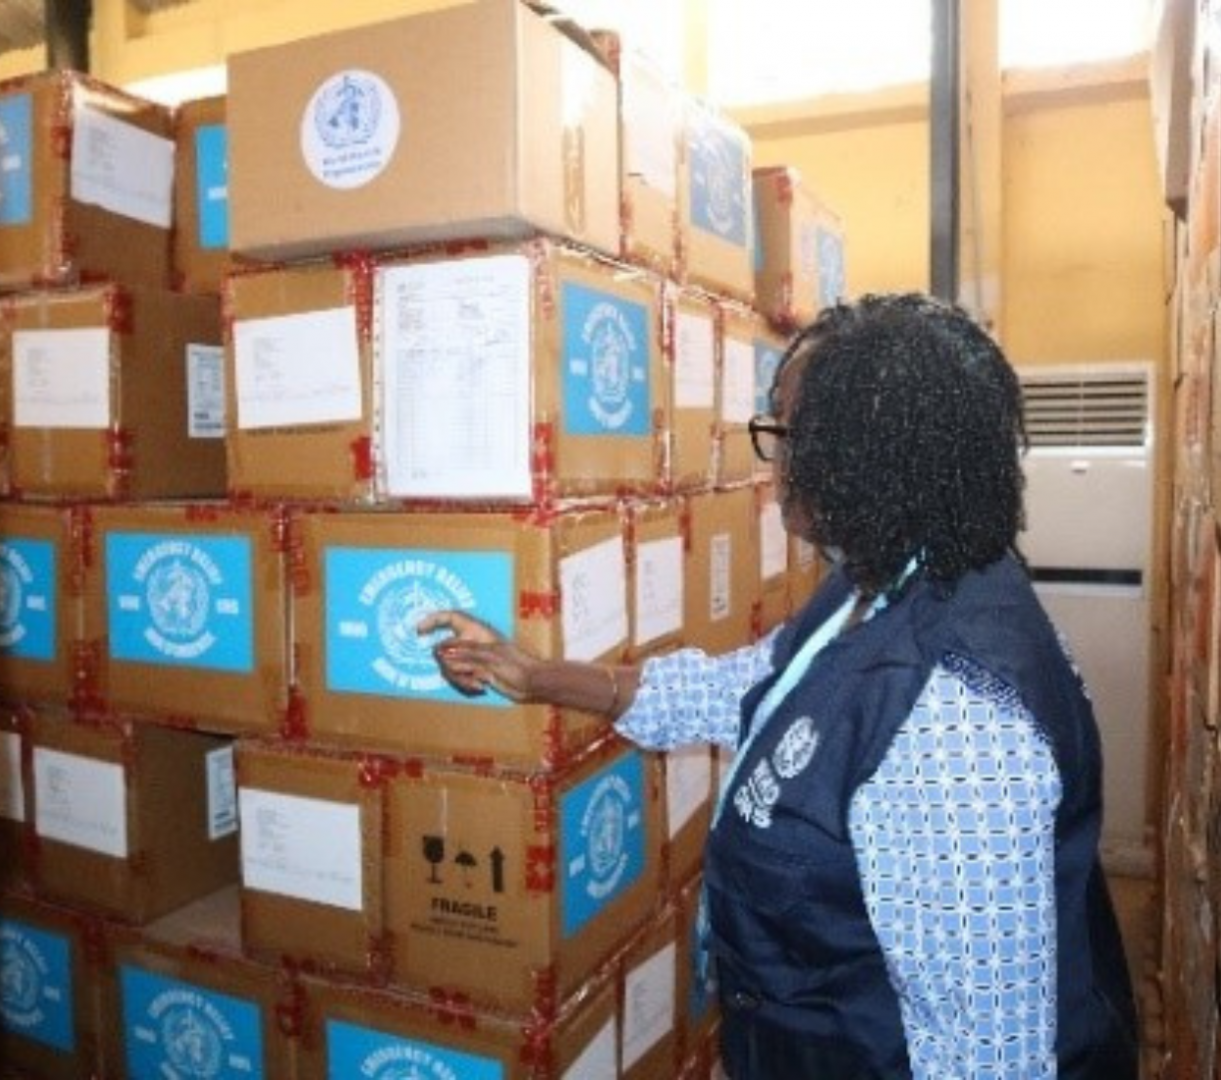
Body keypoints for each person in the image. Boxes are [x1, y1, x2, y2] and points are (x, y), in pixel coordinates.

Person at [419, 292, 1139, 1080]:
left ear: (866, 455)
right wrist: (536, 676)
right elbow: (749, 690)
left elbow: (987, 1061)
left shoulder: (955, 722)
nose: (774, 468)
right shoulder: (886, 580)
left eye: (788, 434)